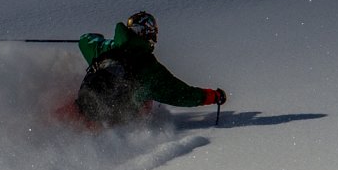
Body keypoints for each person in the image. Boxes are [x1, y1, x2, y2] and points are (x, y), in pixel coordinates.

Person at [73, 11, 226, 126]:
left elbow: (84, 41)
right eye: (153, 32)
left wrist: (100, 38)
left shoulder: (106, 48)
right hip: (114, 120)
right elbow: (182, 94)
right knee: (146, 99)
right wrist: (213, 96)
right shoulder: (148, 67)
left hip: (85, 103)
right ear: (146, 33)